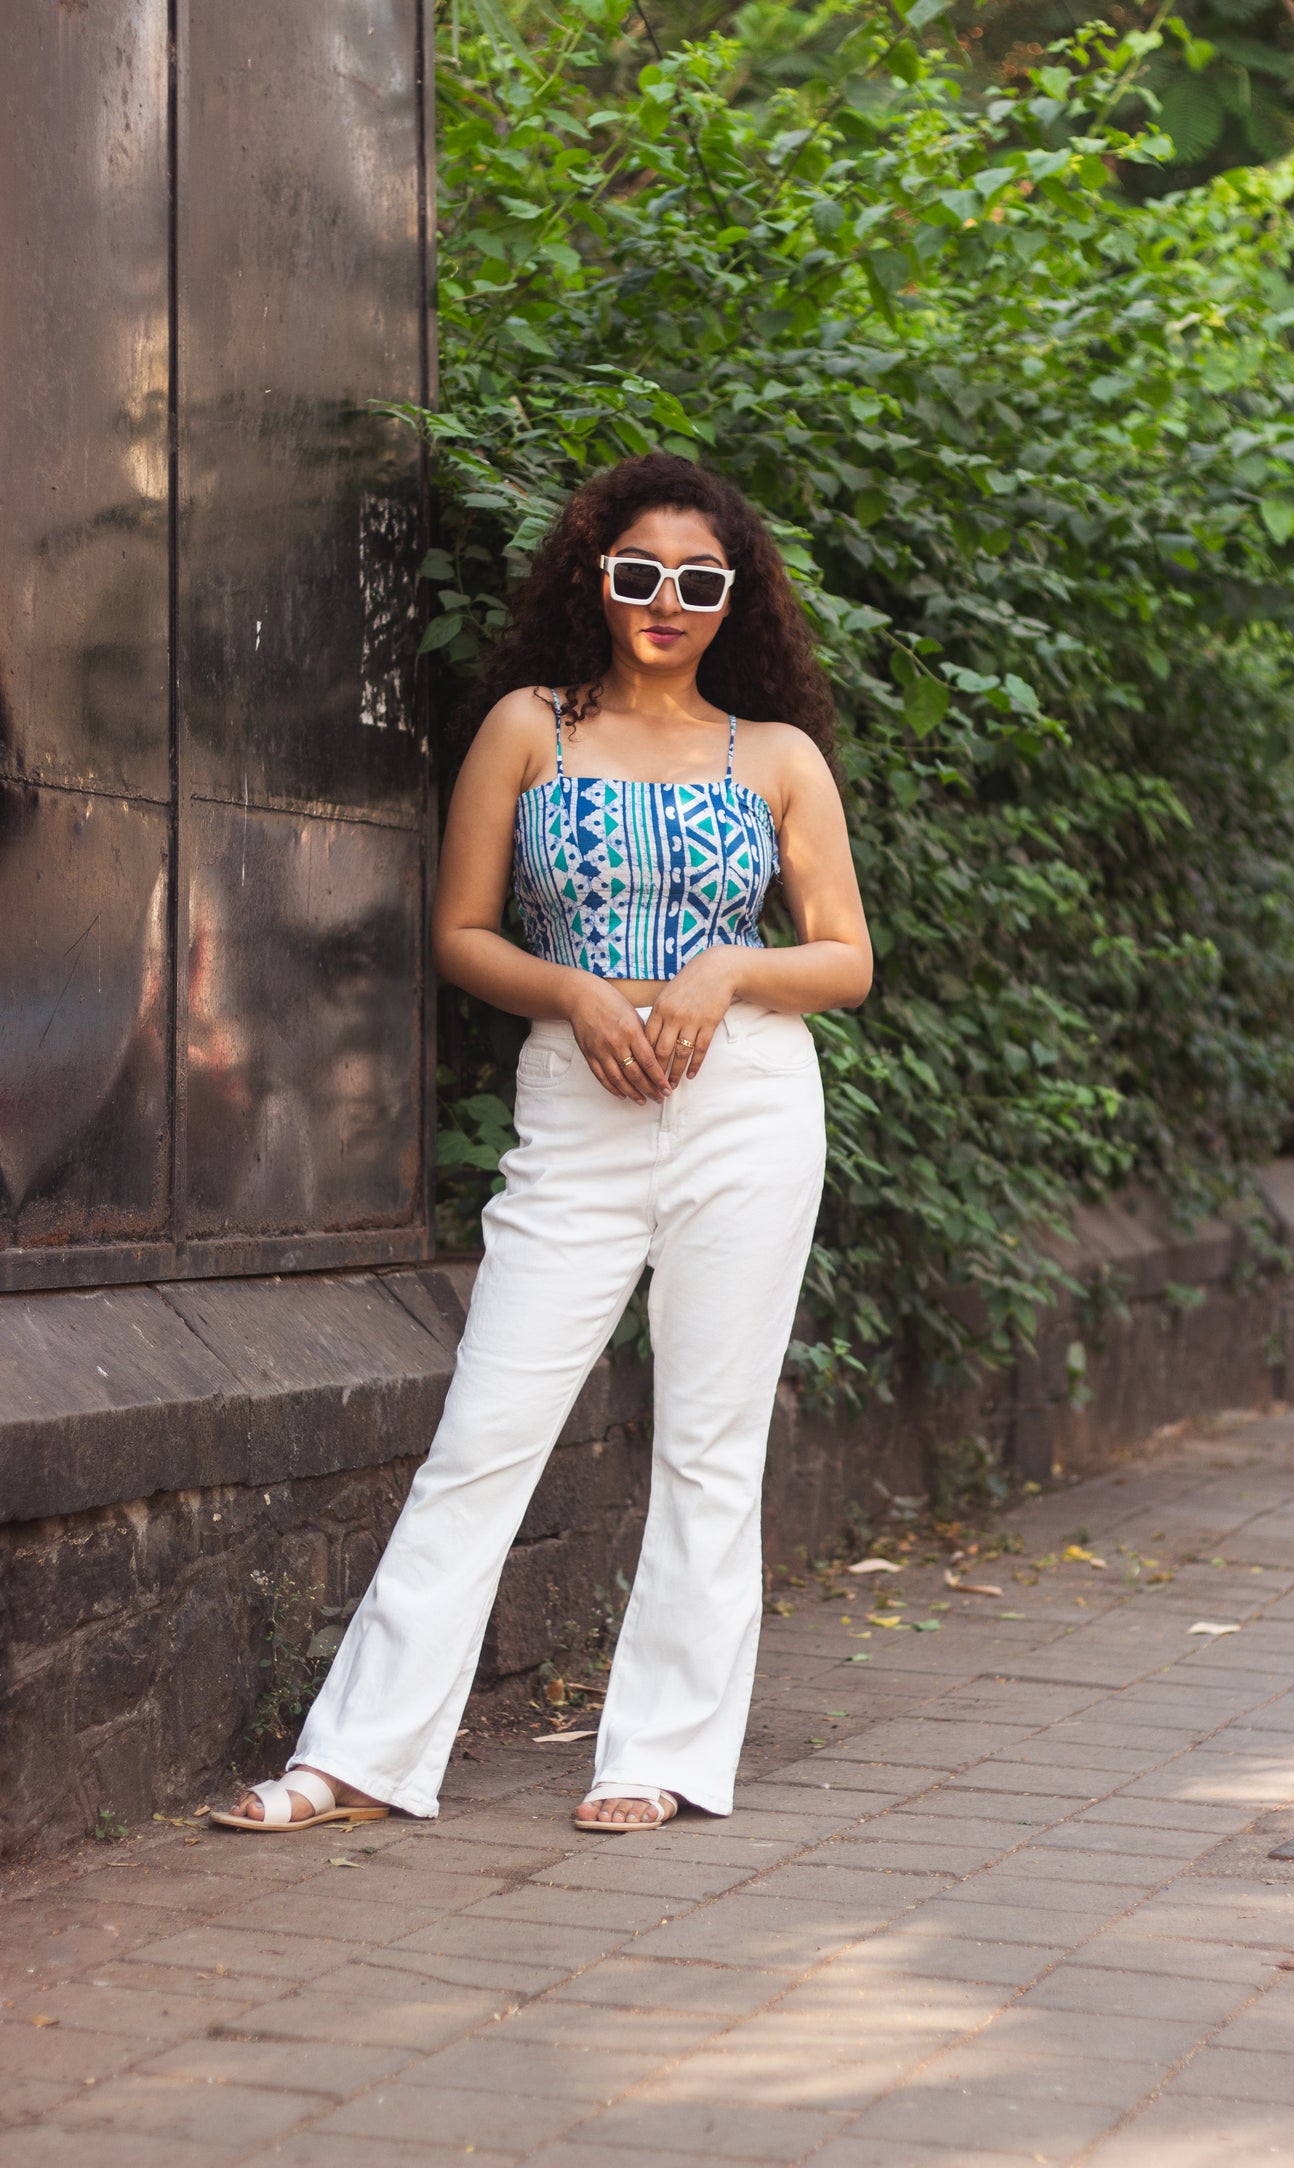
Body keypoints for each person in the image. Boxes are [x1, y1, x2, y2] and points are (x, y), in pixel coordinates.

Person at [213, 451, 872, 1836]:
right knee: (483, 1434)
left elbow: (846, 961)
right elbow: (461, 936)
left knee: (707, 1443)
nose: (665, 603)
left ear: (734, 598)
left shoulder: (779, 757)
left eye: (699, 582)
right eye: (639, 573)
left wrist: (725, 974)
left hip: (746, 1101)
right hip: (575, 1110)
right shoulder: (529, 728)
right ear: (594, 575)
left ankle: (660, 1753)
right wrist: (576, 992)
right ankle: (359, 1758)